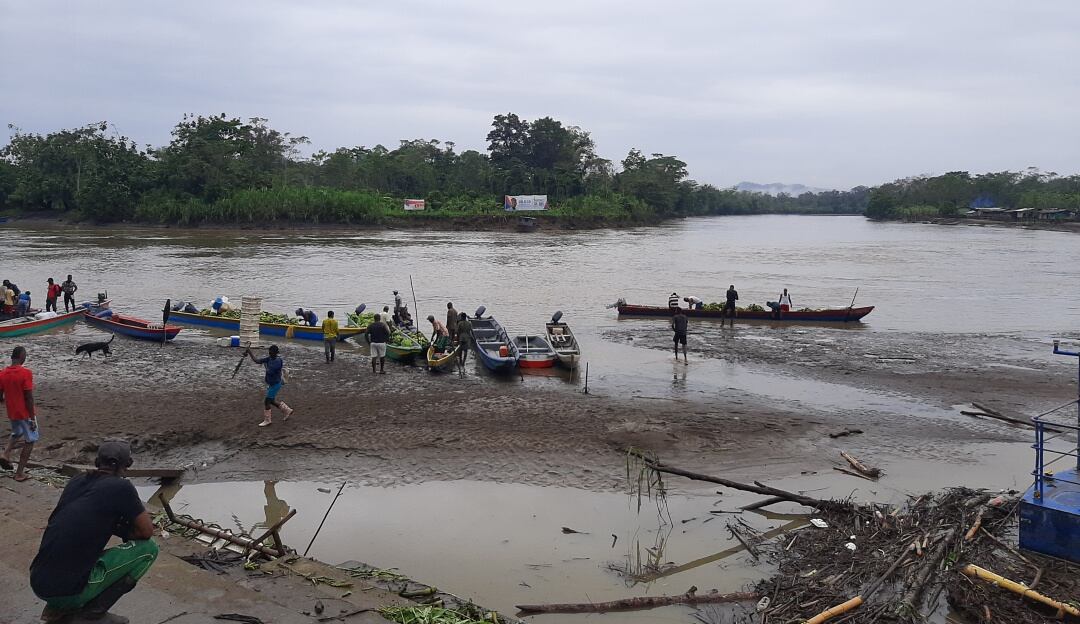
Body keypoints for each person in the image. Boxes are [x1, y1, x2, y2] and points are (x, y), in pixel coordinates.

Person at [30, 440, 157, 624]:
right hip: (66, 592)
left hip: (38, 580)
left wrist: (111, 523)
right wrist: (124, 530)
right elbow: (146, 531)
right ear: (123, 465)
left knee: (73, 552)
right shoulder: (121, 487)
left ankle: (59, 609)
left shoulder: (76, 481)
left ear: (98, 462)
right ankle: (91, 615)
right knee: (149, 549)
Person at [0, 346, 36, 481]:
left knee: (17, 432)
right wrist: (32, 418)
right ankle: (19, 473)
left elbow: (0, 395)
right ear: (22, 356)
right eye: (25, 355)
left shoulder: (3, 373)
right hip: (24, 413)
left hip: (12, 412)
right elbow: (28, 397)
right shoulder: (26, 373)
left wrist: (6, 401)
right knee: (30, 440)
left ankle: (5, 453)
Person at [246, 345, 293, 427]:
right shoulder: (270, 358)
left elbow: (270, 371)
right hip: (272, 384)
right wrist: (250, 352)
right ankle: (287, 410)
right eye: (269, 352)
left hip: (275, 384)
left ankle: (267, 420)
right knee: (271, 401)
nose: (270, 354)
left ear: (276, 353)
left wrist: (265, 363)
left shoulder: (277, 361)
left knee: (267, 401)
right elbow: (257, 361)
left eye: (271, 352)